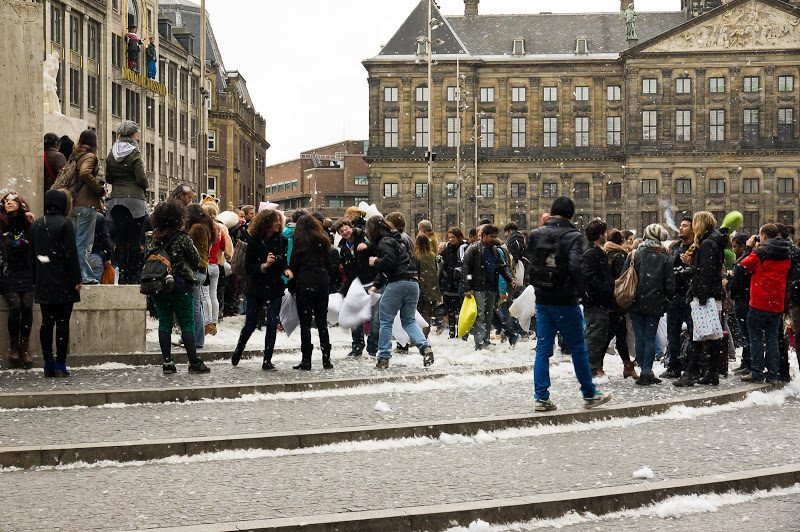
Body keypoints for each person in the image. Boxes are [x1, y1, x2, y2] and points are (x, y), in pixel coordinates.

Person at [526, 197, 611, 411]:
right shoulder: (573, 236)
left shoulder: (536, 234)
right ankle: (589, 394)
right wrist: (580, 293)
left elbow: (533, 263)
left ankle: (541, 397)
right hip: (565, 300)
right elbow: (575, 267)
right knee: (578, 347)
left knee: (543, 349)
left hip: (542, 299)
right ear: (570, 215)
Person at [146, 200, 210, 375]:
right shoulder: (182, 238)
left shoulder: (153, 237)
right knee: (187, 323)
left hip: (159, 285)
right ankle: (194, 362)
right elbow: (195, 259)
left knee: (164, 323)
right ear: (178, 218)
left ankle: (167, 362)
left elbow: (146, 256)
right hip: (181, 285)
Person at [367, 216, 434, 369]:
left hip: (397, 283)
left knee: (385, 321)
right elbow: (399, 264)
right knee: (409, 320)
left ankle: (383, 357)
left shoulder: (385, 242)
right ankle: (425, 347)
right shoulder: (400, 241)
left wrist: (375, 261)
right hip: (413, 283)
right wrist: (377, 284)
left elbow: (389, 264)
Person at [30, 189, 81, 377]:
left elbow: (33, 256)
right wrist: (77, 279)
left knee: (46, 322)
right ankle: (60, 362)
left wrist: (35, 279)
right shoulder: (65, 224)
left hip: (44, 282)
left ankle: (47, 362)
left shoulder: (36, 224)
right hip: (64, 281)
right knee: (62, 323)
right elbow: (71, 254)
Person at [231, 209, 290, 370]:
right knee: (250, 322)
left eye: (279, 220)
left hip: (275, 287)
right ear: (266, 223)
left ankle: (267, 359)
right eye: (275, 221)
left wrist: (284, 268)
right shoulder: (255, 241)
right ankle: (239, 348)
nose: (278, 223)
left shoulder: (281, 240)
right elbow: (249, 267)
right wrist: (263, 265)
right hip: (256, 286)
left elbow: (283, 261)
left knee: (272, 323)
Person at [676, 211, 729, 387]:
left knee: (697, 336)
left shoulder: (707, 243)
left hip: (706, 295)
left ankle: (690, 373)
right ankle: (711, 372)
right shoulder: (715, 241)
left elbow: (706, 271)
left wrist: (701, 294)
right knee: (712, 336)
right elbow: (710, 269)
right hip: (714, 294)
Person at [624, 224, 675, 385]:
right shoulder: (665, 257)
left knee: (639, 338)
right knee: (650, 337)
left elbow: (624, 276)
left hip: (635, 302)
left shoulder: (634, 254)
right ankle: (647, 370)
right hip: (655, 303)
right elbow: (670, 285)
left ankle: (643, 371)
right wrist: (665, 300)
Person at [740, 224, 791, 383]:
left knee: (755, 337)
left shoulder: (762, 251)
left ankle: (757, 372)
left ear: (763, 236)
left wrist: (750, 249)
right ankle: (774, 373)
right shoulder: (787, 251)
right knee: (772, 338)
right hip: (776, 301)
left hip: (759, 301)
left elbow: (744, 264)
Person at [105, 121, 148, 285]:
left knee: (121, 238)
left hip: (116, 200)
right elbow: (141, 177)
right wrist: (145, 186)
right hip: (135, 201)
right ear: (132, 135)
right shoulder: (135, 152)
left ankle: (122, 272)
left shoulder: (111, 153)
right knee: (135, 238)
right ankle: (133, 274)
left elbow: (109, 178)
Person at [462, 224, 518, 350]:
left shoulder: (495, 250)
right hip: (478, 287)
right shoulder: (473, 249)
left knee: (488, 315)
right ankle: (480, 342)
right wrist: (467, 287)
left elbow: (503, 267)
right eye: (491, 236)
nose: (493, 239)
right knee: (481, 314)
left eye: (495, 236)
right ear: (484, 236)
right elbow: (466, 269)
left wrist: (511, 279)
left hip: (491, 287)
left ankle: (485, 340)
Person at [287, 215, 331, 370]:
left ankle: (306, 359)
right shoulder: (323, 240)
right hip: (322, 282)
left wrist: (292, 288)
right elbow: (329, 263)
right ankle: (327, 359)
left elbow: (293, 265)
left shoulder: (300, 242)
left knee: (305, 324)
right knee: (322, 322)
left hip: (305, 282)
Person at [1, 192, 35, 368]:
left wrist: (32, 224)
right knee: (16, 306)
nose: (8, 203)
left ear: (20, 203)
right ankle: (14, 347)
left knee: (27, 306)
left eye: (12, 200)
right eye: (5, 201)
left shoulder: (28, 223)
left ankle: (25, 347)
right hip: (9, 273)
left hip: (27, 273)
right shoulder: (1, 222)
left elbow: (34, 244)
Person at [335, 217, 378, 357]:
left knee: (373, 317)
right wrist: (344, 290)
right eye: (341, 231)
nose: (345, 232)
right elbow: (349, 271)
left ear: (350, 226)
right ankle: (357, 346)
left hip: (371, 282)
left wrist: (367, 246)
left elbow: (376, 247)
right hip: (356, 285)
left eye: (346, 228)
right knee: (355, 317)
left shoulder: (363, 235)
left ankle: (373, 347)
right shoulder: (343, 247)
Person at [65, 130, 103, 285]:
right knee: (84, 243)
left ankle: (72, 273)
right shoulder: (90, 156)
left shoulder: (75, 156)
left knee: (74, 242)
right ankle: (84, 275)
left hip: (72, 204)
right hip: (86, 205)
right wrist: (98, 189)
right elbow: (85, 173)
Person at [661, 217, 695, 379]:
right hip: (675, 296)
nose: (680, 229)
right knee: (672, 333)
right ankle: (674, 365)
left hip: (691, 296)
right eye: (680, 226)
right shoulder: (674, 247)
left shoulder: (698, 247)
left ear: (694, 229)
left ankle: (692, 366)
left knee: (694, 333)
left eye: (685, 226)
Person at [603, 229, 638, 379]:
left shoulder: (604, 253)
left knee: (616, 334)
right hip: (618, 301)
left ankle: (627, 365)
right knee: (616, 334)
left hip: (608, 301)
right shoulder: (620, 255)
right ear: (621, 241)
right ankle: (597, 365)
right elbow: (621, 279)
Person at [581, 219, 615, 377]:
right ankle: (589, 368)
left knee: (597, 334)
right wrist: (603, 291)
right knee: (594, 335)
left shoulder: (595, 252)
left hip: (598, 301)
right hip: (596, 302)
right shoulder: (591, 253)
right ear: (600, 234)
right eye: (605, 232)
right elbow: (590, 279)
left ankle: (592, 367)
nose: (606, 235)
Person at [185, 204, 214, 349]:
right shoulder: (206, 227)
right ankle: (195, 338)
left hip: (196, 270)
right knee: (197, 306)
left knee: (194, 307)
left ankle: (197, 340)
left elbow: (185, 242)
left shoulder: (196, 228)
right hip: (202, 269)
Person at [729, 234, 752, 374]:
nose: (733, 250)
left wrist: (730, 281)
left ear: (743, 246)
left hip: (743, 299)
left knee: (746, 334)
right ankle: (745, 362)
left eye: (735, 247)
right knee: (745, 334)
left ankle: (748, 363)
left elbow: (738, 282)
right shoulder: (743, 258)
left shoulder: (744, 259)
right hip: (743, 298)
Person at [440, 227, 465, 338]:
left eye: (453, 237)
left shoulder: (462, 249)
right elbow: (443, 267)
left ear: (458, 237)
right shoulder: (446, 251)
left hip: (458, 284)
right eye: (449, 237)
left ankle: (460, 331)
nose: (451, 239)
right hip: (448, 284)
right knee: (449, 310)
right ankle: (451, 331)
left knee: (459, 311)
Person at [415, 233, 442, 337]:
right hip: (431, 288)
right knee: (427, 314)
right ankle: (425, 336)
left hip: (419, 288)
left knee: (417, 313)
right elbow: (436, 271)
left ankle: (417, 337)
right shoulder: (432, 256)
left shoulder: (416, 256)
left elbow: (416, 272)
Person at [87, 203, 113, 283]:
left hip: (81, 256)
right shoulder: (99, 217)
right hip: (95, 255)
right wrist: (108, 256)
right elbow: (105, 238)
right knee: (95, 288)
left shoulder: (77, 217)